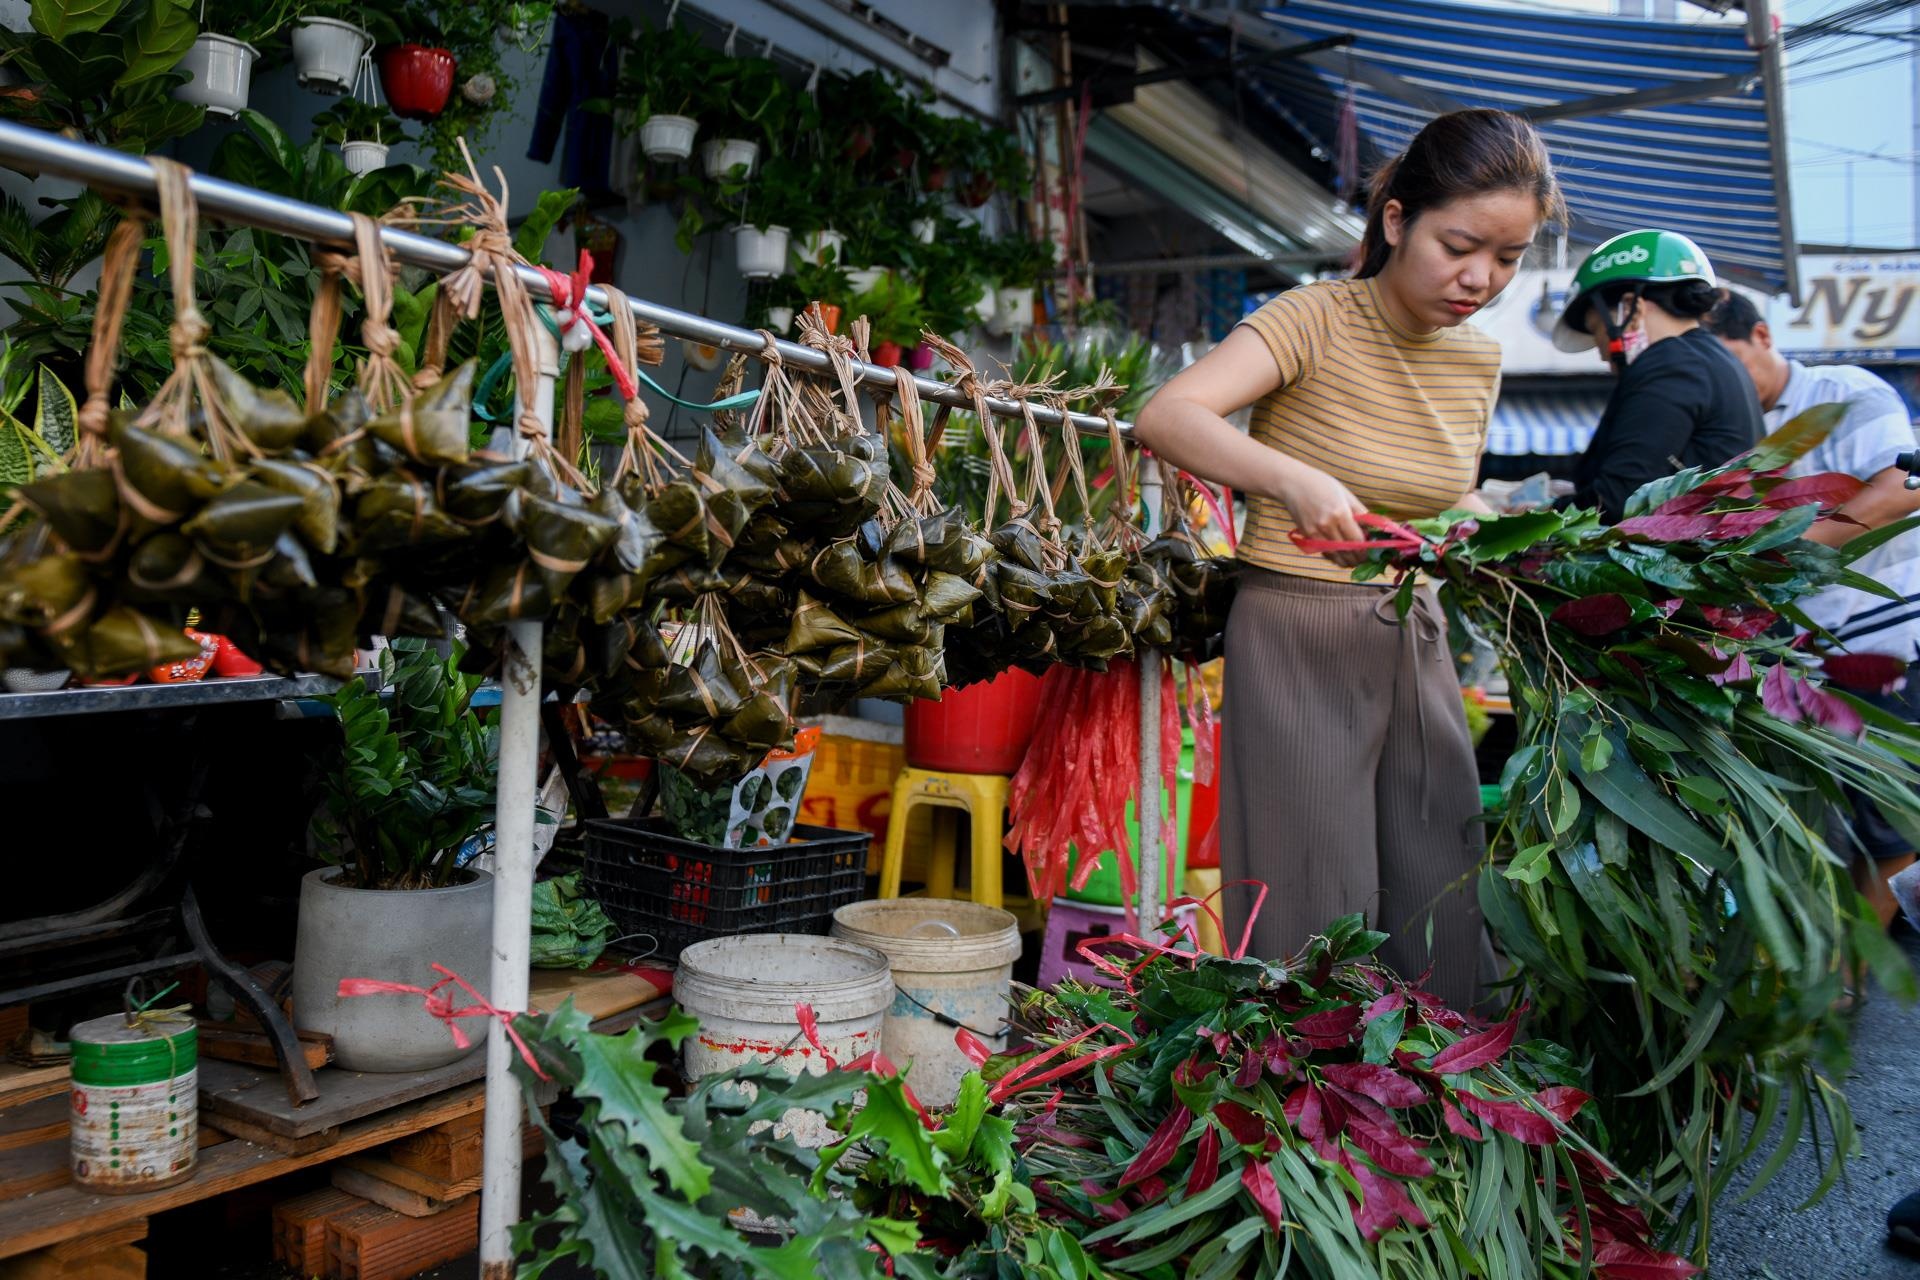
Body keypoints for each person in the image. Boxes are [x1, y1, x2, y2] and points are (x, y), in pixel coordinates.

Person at [1132, 109, 1563, 1010]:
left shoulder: (1477, 360)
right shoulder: (1313, 318)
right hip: (1297, 627)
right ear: (1398, 220)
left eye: (1510, 257)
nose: (1481, 278)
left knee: (1440, 873)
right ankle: (1312, 1104)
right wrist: (1290, 480)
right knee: (1313, 894)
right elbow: (1168, 416)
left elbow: (1446, 492)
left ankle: (1446, 1096)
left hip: (1416, 632)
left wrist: (1504, 537)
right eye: (1460, 244)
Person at [1707, 288, 1920, 929]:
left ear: (1765, 337)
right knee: (1834, 820)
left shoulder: (1842, 392)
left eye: (1729, 360)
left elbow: (1899, 491)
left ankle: (1856, 975)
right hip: (1802, 658)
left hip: (1882, 640)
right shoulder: (1734, 430)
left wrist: (1769, 552)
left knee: (1885, 823)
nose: (1722, 380)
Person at [1551, 230, 1764, 522]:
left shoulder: (1671, 365)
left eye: (1598, 329)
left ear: (1633, 309)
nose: (1601, 353)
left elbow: (1619, 500)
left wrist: (1537, 514)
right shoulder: (1710, 357)